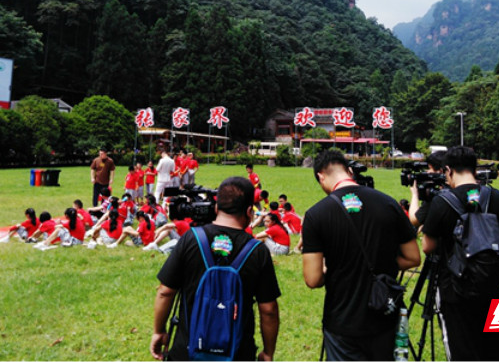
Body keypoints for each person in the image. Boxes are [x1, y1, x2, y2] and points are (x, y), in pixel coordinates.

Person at [302, 150, 421, 361]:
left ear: (321, 176)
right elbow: (413, 258)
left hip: (343, 319)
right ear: (349, 171)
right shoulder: (389, 203)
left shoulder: (316, 214)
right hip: (384, 312)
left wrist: (332, 268)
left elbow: (313, 279)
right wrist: (382, 262)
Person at [150, 176, 281, 361]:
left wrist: (159, 331)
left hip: (187, 351)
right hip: (237, 353)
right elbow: (268, 309)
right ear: (250, 211)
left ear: (217, 208)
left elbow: (165, 292)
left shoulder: (191, 239)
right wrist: (268, 352)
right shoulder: (257, 251)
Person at [421, 145, 499, 361]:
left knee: (462, 348)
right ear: (475, 170)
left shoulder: (442, 202)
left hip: (455, 288)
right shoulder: (498, 198)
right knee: (498, 348)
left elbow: (427, 247)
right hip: (495, 284)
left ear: (448, 170)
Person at [408, 150, 445, 228]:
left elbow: (414, 220)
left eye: (430, 169)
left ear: (440, 171)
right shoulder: (472, 190)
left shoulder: (436, 196)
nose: (427, 172)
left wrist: (414, 194)